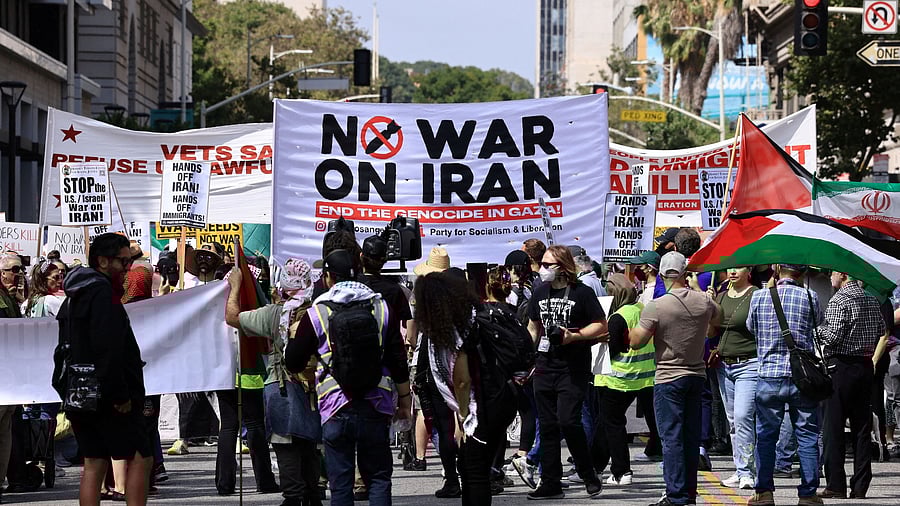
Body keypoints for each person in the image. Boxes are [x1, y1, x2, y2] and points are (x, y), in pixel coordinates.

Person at [285, 249, 412, 506]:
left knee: (340, 482)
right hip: (377, 403)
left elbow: (293, 361)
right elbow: (398, 360)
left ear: (329, 277)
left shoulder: (317, 312)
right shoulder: (381, 307)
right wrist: (405, 400)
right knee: (378, 478)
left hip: (335, 406)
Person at [54, 233, 153, 506]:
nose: (127, 269)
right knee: (140, 456)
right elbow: (107, 348)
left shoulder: (74, 295)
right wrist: (120, 395)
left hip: (79, 392)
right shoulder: (102, 294)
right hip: (108, 394)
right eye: (123, 262)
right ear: (102, 261)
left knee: (94, 461)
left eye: (129, 261)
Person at [226, 258, 323, 506]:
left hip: (282, 386)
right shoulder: (320, 311)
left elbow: (233, 317)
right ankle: (313, 494)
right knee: (309, 442)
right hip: (316, 387)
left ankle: (293, 496)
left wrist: (236, 286)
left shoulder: (274, 314)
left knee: (285, 442)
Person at [416, 270, 517, 504]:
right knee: (473, 465)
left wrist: (463, 416)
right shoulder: (473, 315)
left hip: (482, 404)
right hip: (501, 397)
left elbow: (462, 380)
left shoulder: (455, 329)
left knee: (474, 469)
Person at [629, 252, 720, 506]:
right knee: (690, 439)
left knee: (672, 439)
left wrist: (632, 327)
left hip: (669, 377)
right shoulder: (703, 301)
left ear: (661, 274)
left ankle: (676, 495)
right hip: (696, 375)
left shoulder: (657, 305)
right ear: (684, 273)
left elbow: (636, 342)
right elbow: (718, 319)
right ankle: (688, 493)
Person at [525, 244, 606, 500]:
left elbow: (601, 325)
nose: (543, 269)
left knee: (568, 421)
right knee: (547, 425)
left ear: (562, 267)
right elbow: (533, 328)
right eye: (542, 264)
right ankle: (550, 481)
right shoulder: (540, 293)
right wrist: (525, 356)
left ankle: (587, 472)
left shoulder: (581, 293)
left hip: (572, 368)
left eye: (548, 265)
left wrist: (575, 336)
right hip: (545, 366)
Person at [746, 264, 823, 506]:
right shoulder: (811, 297)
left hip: (768, 374)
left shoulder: (759, 296)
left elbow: (751, 327)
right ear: (801, 273)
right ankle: (808, 493)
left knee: (766, 436)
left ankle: (764, 491)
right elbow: (817, 324)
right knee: (808, 435)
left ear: (778, 269)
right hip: (803, 377)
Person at [817, 273, 885, 500]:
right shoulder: (872, 299)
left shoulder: (839, 300)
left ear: (842, 274)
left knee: (833, 427)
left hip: (841, 366)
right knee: (862, 428)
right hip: (864, 366)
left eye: (832, 273)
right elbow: (880, 330)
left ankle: (836, 484)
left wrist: (817, 329)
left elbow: (833, 336)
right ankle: (861, 484)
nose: (829, 278)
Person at [591, 273, 659, 486]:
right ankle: (594, 467)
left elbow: (611, 349)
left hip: (617, 379)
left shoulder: (618, 317)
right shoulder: (641, 310)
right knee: (605, 423)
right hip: (643, 378)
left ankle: (621, 471)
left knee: (612, 424)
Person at [709, 267, 759, 490]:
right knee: (733, 421)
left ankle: (748, 472)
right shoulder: (720, 296)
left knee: (743, 417)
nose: (732, 271)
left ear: (749, 270)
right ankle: (741, 469)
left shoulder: (756, 295)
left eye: (738, 267)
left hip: (749, 364)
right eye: (729, 267)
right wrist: (710, 308)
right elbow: (711, 333)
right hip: (724, 365)